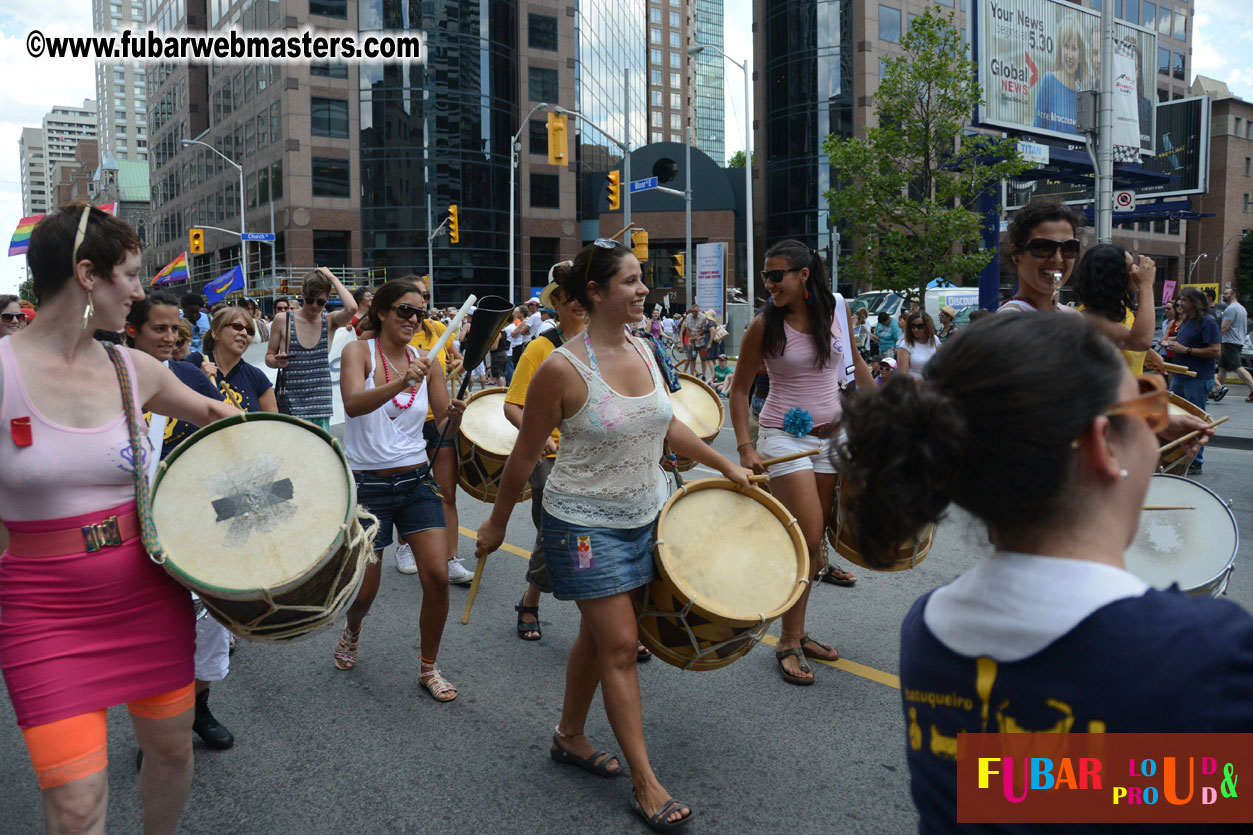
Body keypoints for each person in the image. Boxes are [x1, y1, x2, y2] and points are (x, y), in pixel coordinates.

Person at [833, 314, 1233, 833]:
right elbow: (1209, 795)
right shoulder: (1206, 650)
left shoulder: (928, 630)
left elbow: (1017, 788)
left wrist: (1134, 423)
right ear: (1102, 445)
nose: (1157, 425)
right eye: (1146, 406)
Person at [476, 238, 751, 831]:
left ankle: (569, 735)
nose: (644, 290)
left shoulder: (647, 347)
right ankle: (646, 783)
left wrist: (726, 464)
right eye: (630, 281)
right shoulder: (560, 367)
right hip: (581, 524)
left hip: (647, 514)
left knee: (597, 640)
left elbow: (667, 424)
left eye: (642, 279)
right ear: (595, 293)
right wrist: (497, 521)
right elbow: (524, 454)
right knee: (622, 646)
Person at [1, 203, 237, 833]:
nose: (138, 292)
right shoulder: (1, 372)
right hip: (41, 614)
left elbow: (219, 418)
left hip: (146, 596)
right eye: (129, 275)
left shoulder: (130, 368)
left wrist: (298, 477)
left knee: (171, 750)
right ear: (87, 274)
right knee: (77, 804)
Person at [728, 239, 874, 684]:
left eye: (777, 275)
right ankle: (787, 640)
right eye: (766, 276)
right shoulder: (763, 325)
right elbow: (738, 390)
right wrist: (745, 447)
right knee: (807, 537)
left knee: (816, 542)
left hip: (832, 438)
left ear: (804, 274)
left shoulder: (836, 312)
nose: (769, 284)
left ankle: (796, 630)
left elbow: (854, 368)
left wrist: (891, 410)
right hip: (782, 438)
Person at [334, 279, 466, 702]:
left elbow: (442, 424)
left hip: (415, 481)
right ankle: (353, 629)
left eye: (420, 314)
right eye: (405, 311)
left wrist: (459, 416)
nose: (414, 319)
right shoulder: (360, 351)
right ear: (384, 312)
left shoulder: (430, 363)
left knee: (438, 577)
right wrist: (402, 382)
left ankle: (429, 667)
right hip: (368, 486)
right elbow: (353, 403)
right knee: (366, 590)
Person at [125, 291, 238, 752]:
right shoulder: (108, 383)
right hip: (133, 529)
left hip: (198, 520)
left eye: (176, 329)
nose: (171, 338)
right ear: (132, 329)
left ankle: (199, 710)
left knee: (210, 622)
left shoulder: (190, 376)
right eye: (159, 329)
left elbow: (226, 433)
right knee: (149, 635)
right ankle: (152, 734)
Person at [504, 265, 586, 642]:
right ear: (556, 301)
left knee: (593, 535)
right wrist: (541, 439)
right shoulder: (541, 347)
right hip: (551, 457)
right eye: (571, 297)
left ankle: (608, 618)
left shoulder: (607, 343)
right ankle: (531, 600)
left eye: (586, 295)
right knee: (557, 533)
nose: (580, 304)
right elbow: (513, 406)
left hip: (594, 458)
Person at [396, 276, 471, 584]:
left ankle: (451, 558)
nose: (422, 304)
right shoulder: (398, 334)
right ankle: (404, 547)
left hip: (436, 420)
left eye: (425, 297)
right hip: (406, 420)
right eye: (415, 299)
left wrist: (454, 366)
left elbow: (458, 358)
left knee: (446, 492)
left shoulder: (440, 329)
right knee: (407, 489)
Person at [264, 267, 358, 430]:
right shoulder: (283, 320)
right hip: (290, 406)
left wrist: (332, 278)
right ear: (302, 295)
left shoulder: (329, 321)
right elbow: (269, 356)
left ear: (328, 298)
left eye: (321, 302)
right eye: (309, 300)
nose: (315, 306)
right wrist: (275, 361)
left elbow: (352, 308)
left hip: (319, 407)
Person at [1160, 287, 1220, 475]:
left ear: (1194, 302)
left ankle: (1196, 461)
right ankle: (1180, 456)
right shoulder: (1187, 321)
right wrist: (1171, 342)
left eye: (1184, 300)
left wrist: (1186, 350)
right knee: (1179, 419)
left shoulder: (1208, 322)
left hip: (1198, 378)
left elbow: (1215, 351)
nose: (1180, 304)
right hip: (1180, 377)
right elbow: (1186, 339)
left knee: (1195, 420)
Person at [1071, 244, 1157, 374]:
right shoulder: (1086, 318)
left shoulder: (1124, 311)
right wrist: (1146, 285)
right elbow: (1141, 341)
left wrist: (1148, 354)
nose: (1136, 271)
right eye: (1130, 268)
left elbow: (1128, 340)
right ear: (1113, 278)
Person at [998, 199, 1086, 313]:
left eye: (1069, 247)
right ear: (1016, 254)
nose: (1058, 258)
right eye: (1044, 247)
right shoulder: (1010, 320)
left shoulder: (1074, 317)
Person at [1033, 17, 1085, 135]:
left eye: (1074, 48)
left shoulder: (1082, 97)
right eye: (1066, 47)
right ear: (1059, 50)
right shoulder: (1049, 81)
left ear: (1080, 55)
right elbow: (1037, 129)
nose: (1070, 55)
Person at [1212, 287, 1253, 402]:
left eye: (1226, 294)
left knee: (1237, 367)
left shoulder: (1231, 309)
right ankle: (1217, 390)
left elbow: (1225, 327)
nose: (1223, 295)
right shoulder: (1241, 308)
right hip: (1237, 341)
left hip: (1230, 342)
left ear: (1233, 295)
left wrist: (1215, 339)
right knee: (1223, 367)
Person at [897, 311, 939, 379]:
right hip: (915, 387)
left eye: (920, 326)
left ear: (927, 326)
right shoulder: (905, 344)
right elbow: (903, 374)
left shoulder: (934, 339)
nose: (916, 329)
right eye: (913, 326)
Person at [679, 305, 709, 376]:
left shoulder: (703, 317)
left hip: (702, 342)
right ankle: (692, 374)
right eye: (693, 311)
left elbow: (704, 329)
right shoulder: (688, 317)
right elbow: (688, 328)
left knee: (703, 359)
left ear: (698, 311)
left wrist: (698, 336)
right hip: (692, 343)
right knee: (692, 359)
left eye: (696, 312)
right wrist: (691, 338)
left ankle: (704, 375)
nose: (694, 313)